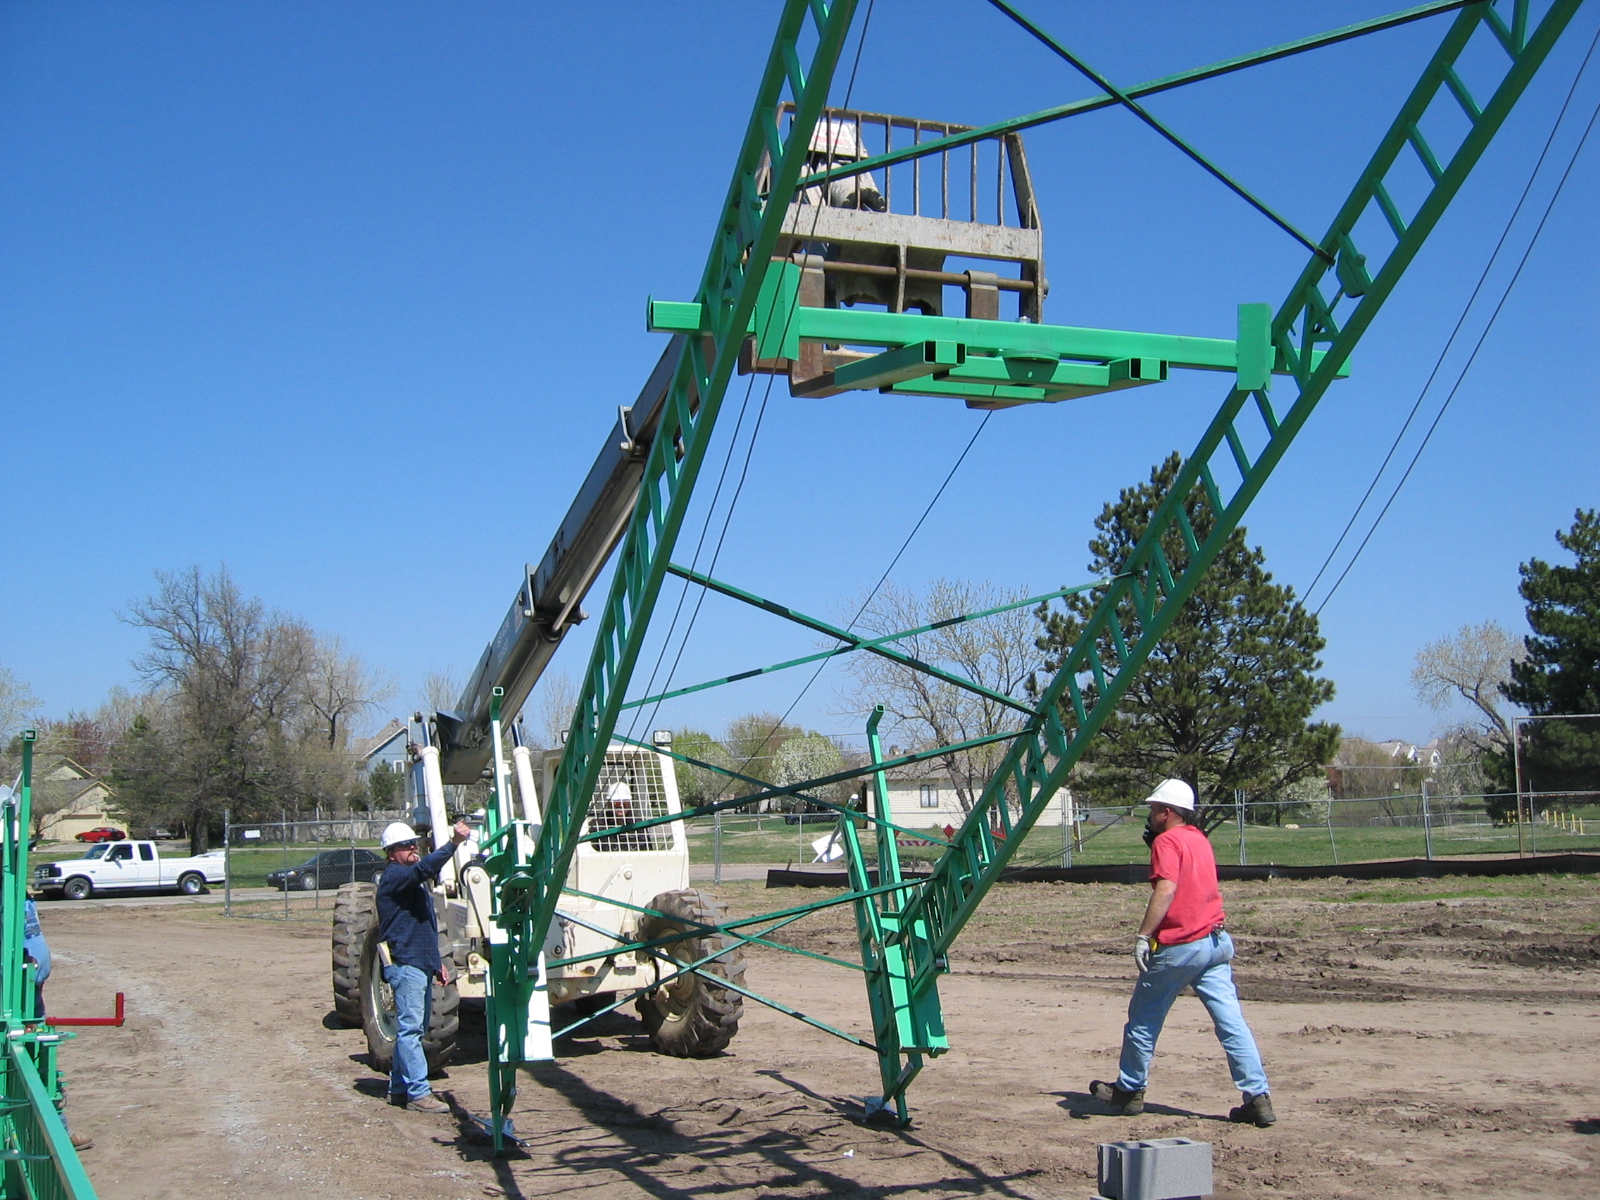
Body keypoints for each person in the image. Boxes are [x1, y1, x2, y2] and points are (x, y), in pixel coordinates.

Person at [1089, 779, 1275, 1128]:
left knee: (1143, 1020)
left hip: (1180, 946)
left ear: (1167, 812)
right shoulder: (1198, 839)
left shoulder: (1167, 841)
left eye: (1153, 810)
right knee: (1232, 1024)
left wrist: (1143, 935)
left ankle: (1129, 1091)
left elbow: (1168, 889)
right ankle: (1257, 1097)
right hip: (1215, 943)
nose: (1149, 815)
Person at [375, 817, 471, 1113]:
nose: (412, 850)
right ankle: (418, 1093)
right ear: (391, 853)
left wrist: (436, 962)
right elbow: (425, 868)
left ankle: (399, 1088)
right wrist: (454, 843)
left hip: (419, 962)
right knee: (411, 1030)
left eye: (414, 845)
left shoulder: (410, 885)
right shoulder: (394, 878)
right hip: (405, 964)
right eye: (405, 847)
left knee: (410, 1028)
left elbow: (423, 925)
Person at [22, 898, 93, 1151]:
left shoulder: (20, 893)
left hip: (30, 992)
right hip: (16, 995)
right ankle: (55, 1133)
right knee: (26, 1063)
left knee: (40, 1062)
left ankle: (57, 1130)